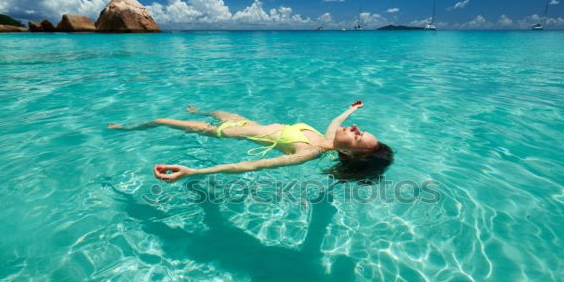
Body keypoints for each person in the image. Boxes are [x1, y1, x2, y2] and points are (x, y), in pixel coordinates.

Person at [108, 100, 393, 183]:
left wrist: (194, 172)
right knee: (216, 109)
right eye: (359, 128)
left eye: (357, 135)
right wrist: (350, 110)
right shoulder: (329, 138)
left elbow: (253, 165)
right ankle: (201, 111)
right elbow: (334, 122)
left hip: (228, 132)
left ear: (348, 152)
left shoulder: (310, 151)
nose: (354, 128)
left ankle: (125, 128)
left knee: (161, 121)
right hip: (244, 122)